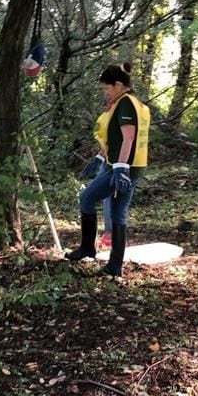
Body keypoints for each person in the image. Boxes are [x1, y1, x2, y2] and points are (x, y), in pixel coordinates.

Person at [67, 62, 151, 277]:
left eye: (107, 88)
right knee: (117, 213)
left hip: (124, 167)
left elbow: (128, 137)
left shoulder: (126, 104)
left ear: (118, 85)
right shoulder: (127, 103)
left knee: (87, 198)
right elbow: (112, 138)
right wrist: (99, 157)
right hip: (127, 165)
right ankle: (114, 265)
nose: (105, 92)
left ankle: (88, 247)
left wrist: (120, 169)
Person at [80, 100, 114, 250]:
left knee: (109, 197)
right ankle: (107, 235)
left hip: (117, 164)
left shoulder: (121, 118)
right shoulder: (105, 119)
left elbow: (117, 142)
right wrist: (99, 158)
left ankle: (110, 235)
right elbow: (106, 143)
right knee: (103, 198)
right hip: (106, 162)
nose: (107, 106)